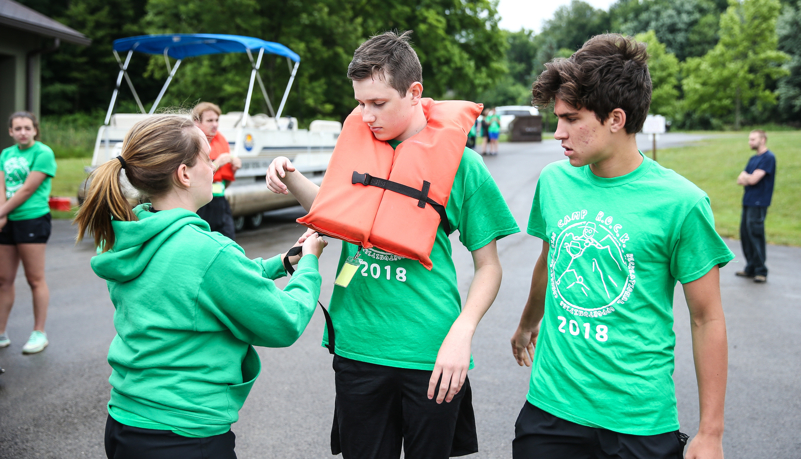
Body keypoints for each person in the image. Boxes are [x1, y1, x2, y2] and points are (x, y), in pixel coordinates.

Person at [267, 31, 519, 458]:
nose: (366, 115)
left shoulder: (463, 164)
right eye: (360, 103)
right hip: (358, 349)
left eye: (378, 103)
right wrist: (290, 177)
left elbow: (489, 266)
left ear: (414, 92)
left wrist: (463, 332)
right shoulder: (358, 150)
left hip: (433, 355)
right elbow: (336, 217)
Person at [510, 34, 734, 459]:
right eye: (557, 117)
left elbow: (707, 318)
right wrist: (526, 324)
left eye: (572, 118)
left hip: (638, 422)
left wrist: (711, 433)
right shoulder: (554, 182)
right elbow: (549, 260)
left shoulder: (681, 203)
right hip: (550, 411)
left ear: (616, 118)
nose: (558, 133)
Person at [73, 115, 327, 459]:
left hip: (125, 423)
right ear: (184, 173)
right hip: (184, 437)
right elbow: (284, 322)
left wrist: (280, 263)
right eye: (208, 158)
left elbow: (196, 283)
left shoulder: (133, 235)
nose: (214, 166)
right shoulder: (207, 251)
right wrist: (310, 263)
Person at [0, 111, 57, 355]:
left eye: (27, 127)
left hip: (32, 219)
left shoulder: (43, 153)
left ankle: (39, 333)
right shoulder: (6, 154)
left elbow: (27, 190)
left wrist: (0, 213)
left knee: (34, 279)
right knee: (4, 280)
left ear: (35, 130)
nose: (22, 132)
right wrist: (2, 213)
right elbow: (1, 185)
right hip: (7, 220)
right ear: (11, 132)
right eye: (17, 128)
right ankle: (1, 332)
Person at [192, 102, 242, 240]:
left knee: (230, 244)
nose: (215, 124)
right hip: (201, 205)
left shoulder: (221, 141)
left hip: (221, 202)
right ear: (196, 122)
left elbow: (225, 184)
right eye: (209, 120)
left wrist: (234, 169)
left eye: (216, 120)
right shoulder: (191, 144)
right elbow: (193, 179)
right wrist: (218, 163)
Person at [736, 130, 775, 283]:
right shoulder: (753, 159)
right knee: (745, 234)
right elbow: (741, 178)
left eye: (753, 139)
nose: (750, 142)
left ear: (763, 140)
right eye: (749, 139)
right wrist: (748, 177)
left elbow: (753, 180)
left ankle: (761, 270)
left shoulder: (768, 158)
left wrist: (748, 178)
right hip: (748, 201)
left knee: (756, 234)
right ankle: (750, 267)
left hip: (759, 202)